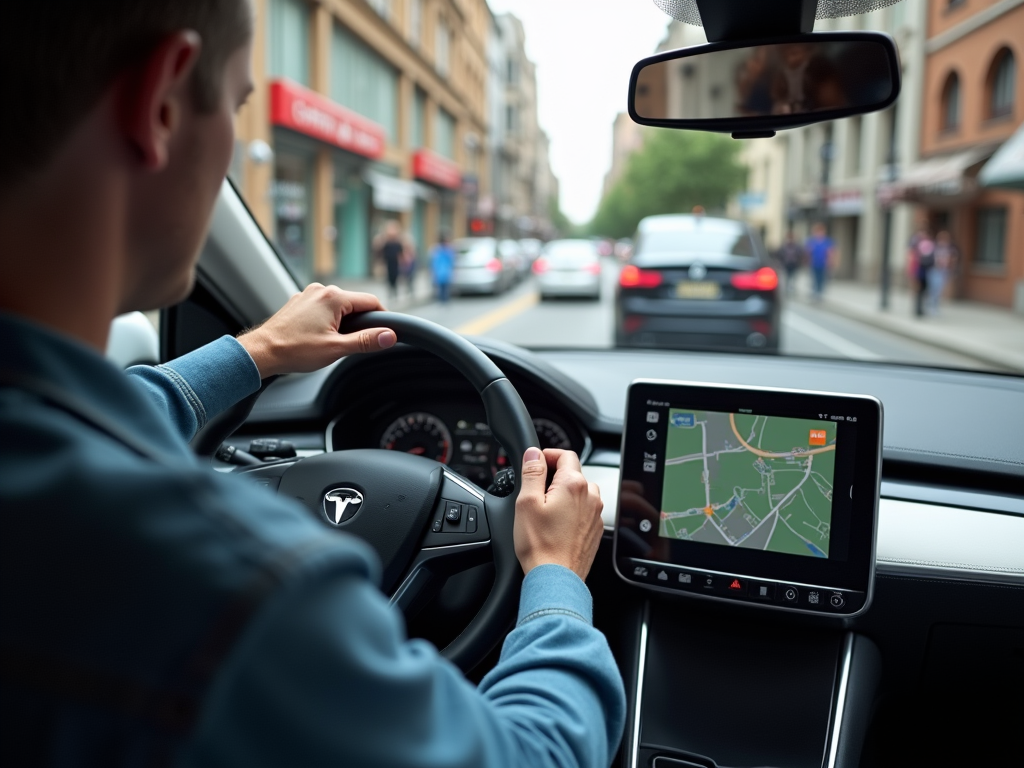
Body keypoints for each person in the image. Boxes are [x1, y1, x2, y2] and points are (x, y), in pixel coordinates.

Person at [0, 2, 625, 766]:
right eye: (234, 103)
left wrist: (254, 352)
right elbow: (534, 754)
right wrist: (556, 578)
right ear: (159, 105)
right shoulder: (233, 586)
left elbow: (98, 419)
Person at [374, 219, 408, 299]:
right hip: (388, 262)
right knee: (389, 278)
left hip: (395, 262)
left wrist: (403, 261)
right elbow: (379, 250)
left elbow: (401, 252)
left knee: (395, 276)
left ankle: (394, 291)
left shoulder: (398, 242)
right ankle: (391, 292)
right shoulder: (385, 241)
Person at [805, 222, 837, 301]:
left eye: (821, 231)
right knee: (814, 278)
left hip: (823, 264)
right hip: (814, 263)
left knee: (822, 279)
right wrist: (808, 260)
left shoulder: (827, 241)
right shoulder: (812, 241)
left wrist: (830, 261)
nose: (819, 233)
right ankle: (815, 291)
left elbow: (831, 252)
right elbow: (808, 252)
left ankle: (820, 292)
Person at [929, 231, 959, 315]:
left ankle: (935, 306)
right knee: (934, 288)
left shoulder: (950, 248)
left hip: (944, 271)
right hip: (934, 270)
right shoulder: (934, 247)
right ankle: (932, 305)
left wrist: (952, 267)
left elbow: (954, 259)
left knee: (939, 289)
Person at [909, 228, 935, 317]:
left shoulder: (930, 244)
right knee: (918, 289)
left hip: (928, 270)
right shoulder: (916, 244)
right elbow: (911, 257)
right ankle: (917, 308)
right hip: (919, 269)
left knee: (925, 290)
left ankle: (921, 308)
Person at [774, 230, 807, 296]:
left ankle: (792, 289)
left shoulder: (797, 246)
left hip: (794, 264)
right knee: (787, 277)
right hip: (786, 264)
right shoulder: (784, 246)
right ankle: (787, 289)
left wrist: (800, 261)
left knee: (793, 277)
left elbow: (801, 254)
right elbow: (779, 254)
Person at [431, 231, 456, 303]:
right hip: (440, 272)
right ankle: (442, 300)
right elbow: (434, 262)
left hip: (445, 272)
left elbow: (452, 260)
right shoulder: (437, 250)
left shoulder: (448, 249)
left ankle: (445, 300)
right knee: (441, 287)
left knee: (446, 287)